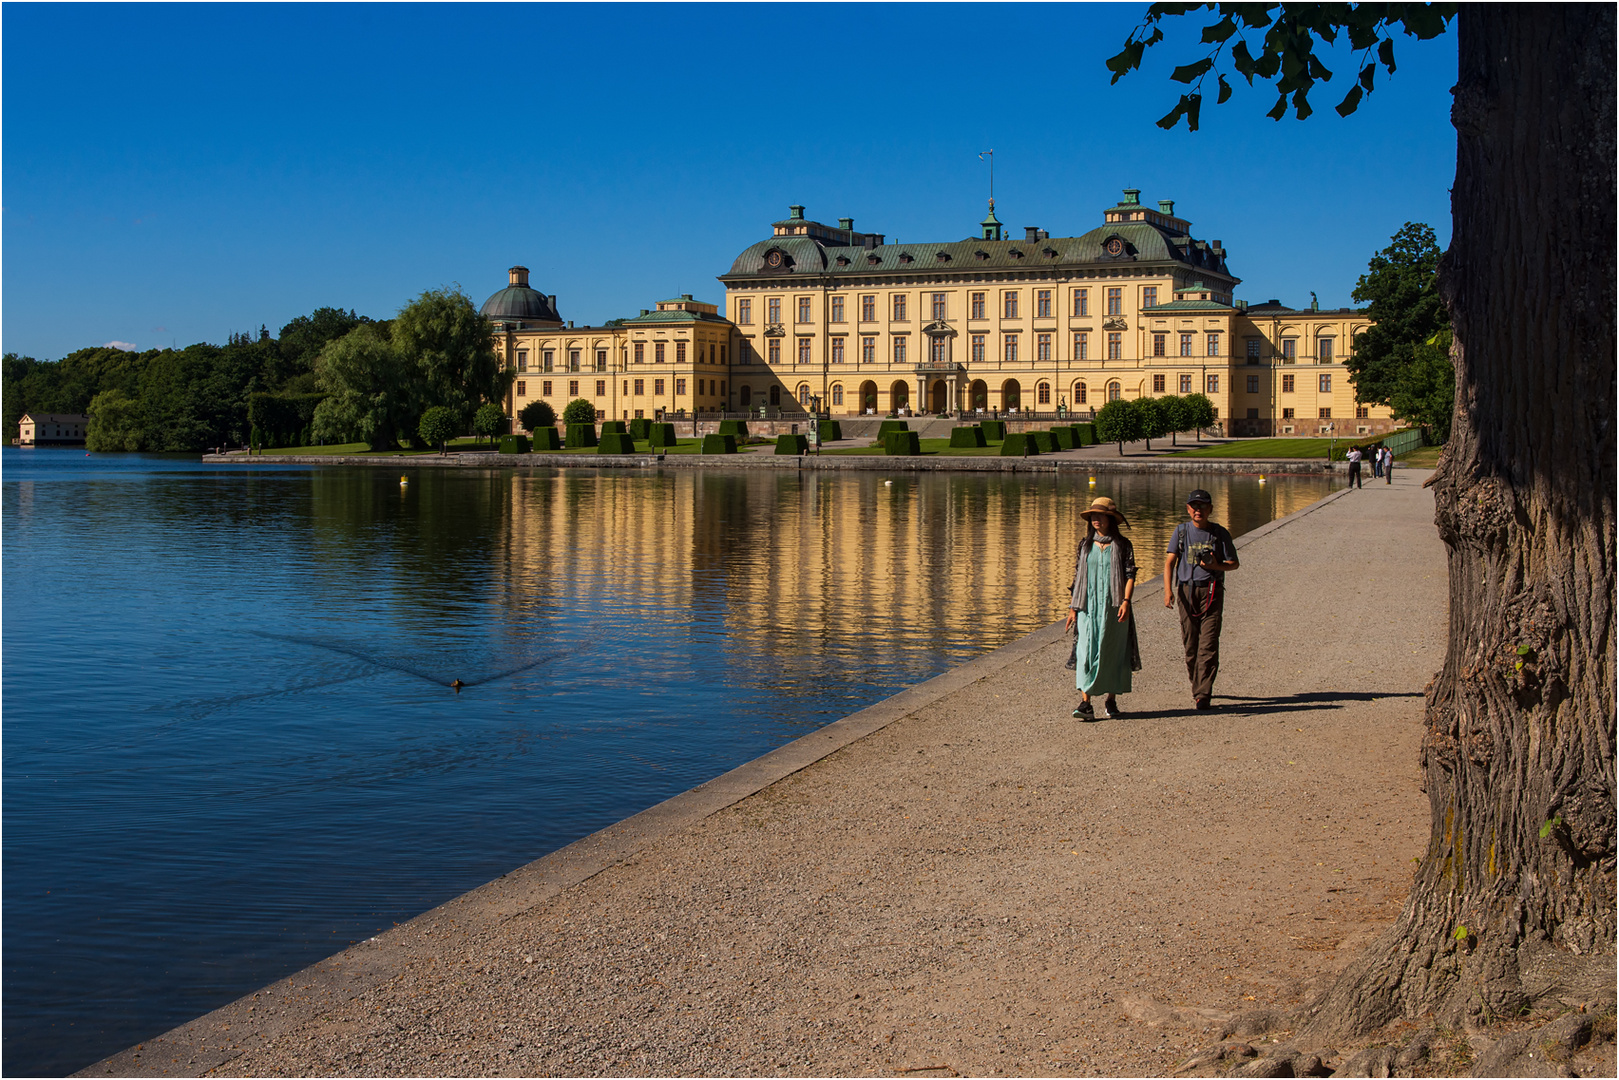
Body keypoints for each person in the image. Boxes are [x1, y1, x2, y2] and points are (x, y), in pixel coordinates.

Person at [1064, 496, 1140, 720]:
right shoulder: (1085, 544)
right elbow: (1078, 576)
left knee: (1112, 651)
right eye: (1093, 516)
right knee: (1085, 651)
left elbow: (1130, 575)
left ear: (1110, 518)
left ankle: (1111, 699)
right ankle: (1085, 703)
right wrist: (1073, 608)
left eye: (1100, 515)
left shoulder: (1123, 545)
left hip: (1113, 607)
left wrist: (1126, 601)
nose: (1096, 519)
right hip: (1088, 606)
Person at [1164, 489, 1239, 710]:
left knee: (1208, 643)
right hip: (1186, 591)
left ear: (1210, 509)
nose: (1198, 510)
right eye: (1194, 506)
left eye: (1203, 506)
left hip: (1211, 590)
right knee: (1190, 644)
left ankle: (1203, 693)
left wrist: (1215, 566)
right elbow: (1169, 563)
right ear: (1188, 509)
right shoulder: (1181, 532)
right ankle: (1198, 683)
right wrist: (1167, 590)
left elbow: (1234, 563)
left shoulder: (1219, 533)